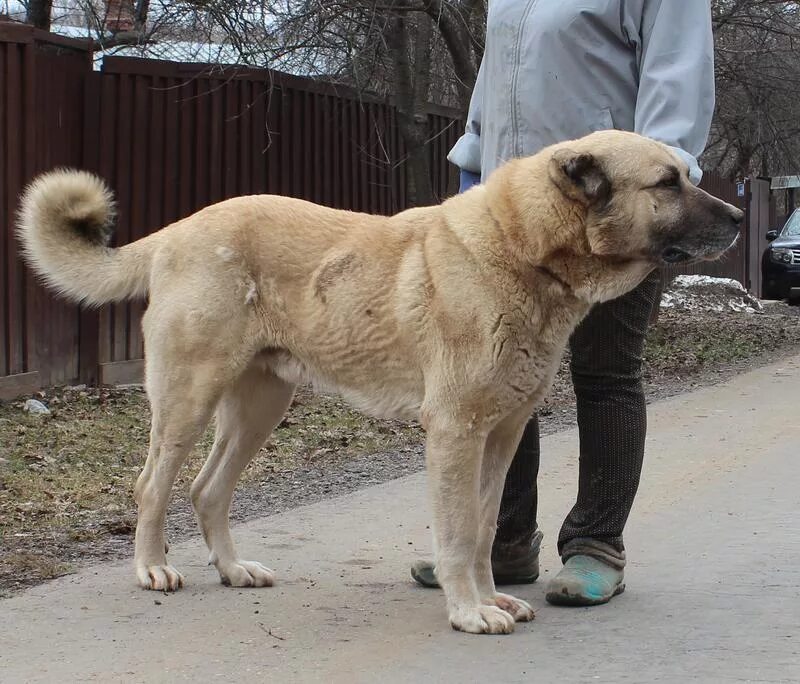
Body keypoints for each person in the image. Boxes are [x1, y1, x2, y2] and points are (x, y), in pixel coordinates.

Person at [411, 0, 716, 606]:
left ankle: (596, 545)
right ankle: (500, 542)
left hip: (614, 211)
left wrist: (663, 196)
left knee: (604, 373)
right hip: (514, 212)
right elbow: (497, 73)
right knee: (495, 378)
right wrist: (475, 161)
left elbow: (676, 78)